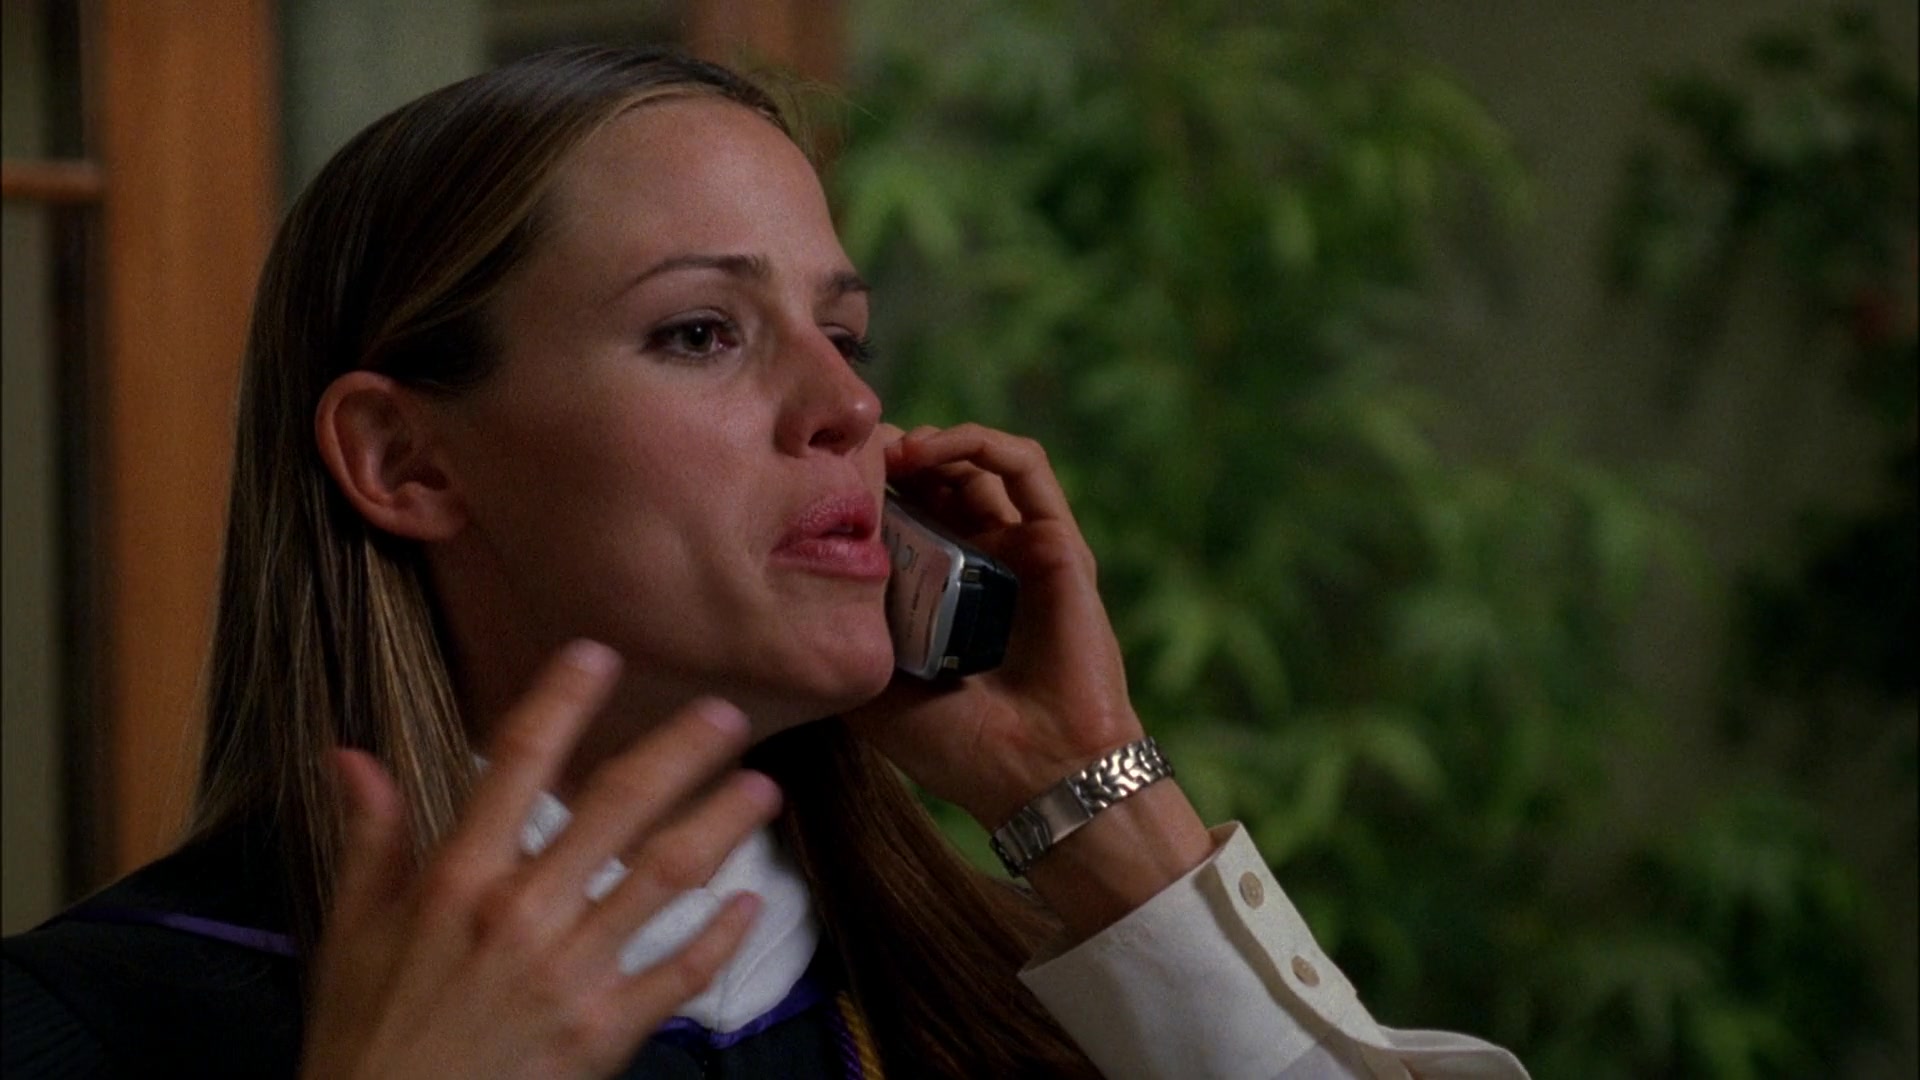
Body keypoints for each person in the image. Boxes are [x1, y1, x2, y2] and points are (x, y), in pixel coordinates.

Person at [2, 46, 1528, 1079]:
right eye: (700, 332)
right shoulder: (91, 1023)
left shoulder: (1040, 1000)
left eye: (846, 335)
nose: (847, 407)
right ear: (407, 461)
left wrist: (1089, 797)